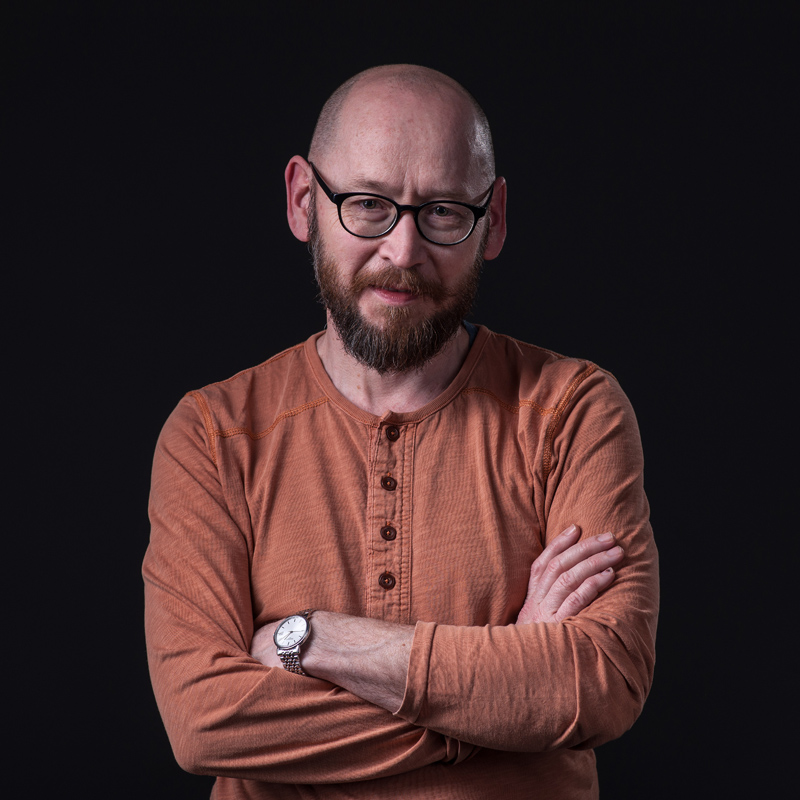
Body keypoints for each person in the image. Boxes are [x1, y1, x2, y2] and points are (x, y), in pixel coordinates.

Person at [143, 64, 659, 799]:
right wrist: (502, 694)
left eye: (443, 211)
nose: (403, 250)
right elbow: (205, 722)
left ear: (494, 219)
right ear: (303, 201)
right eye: (367, 205)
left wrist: (317, 639)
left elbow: (601, 682)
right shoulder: (212, 435)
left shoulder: (574, 410)